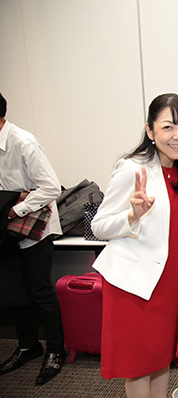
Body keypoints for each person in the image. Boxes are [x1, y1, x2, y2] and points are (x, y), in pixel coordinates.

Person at [91, 93, 178, 398]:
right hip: (134, 287)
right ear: (150, 130)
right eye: (167, 127)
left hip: (165, 285)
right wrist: (131, 216)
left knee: (161, 359)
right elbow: (99, 226)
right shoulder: (132, 169)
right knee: (138, 365)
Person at [0, 92, 66, 385]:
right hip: (8, 228)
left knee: (40, 290)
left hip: (33, 229)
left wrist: (15, 208)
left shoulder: (22, 142)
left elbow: (51, 187)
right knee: (16, 290)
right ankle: (28, 346)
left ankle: (56, 350)